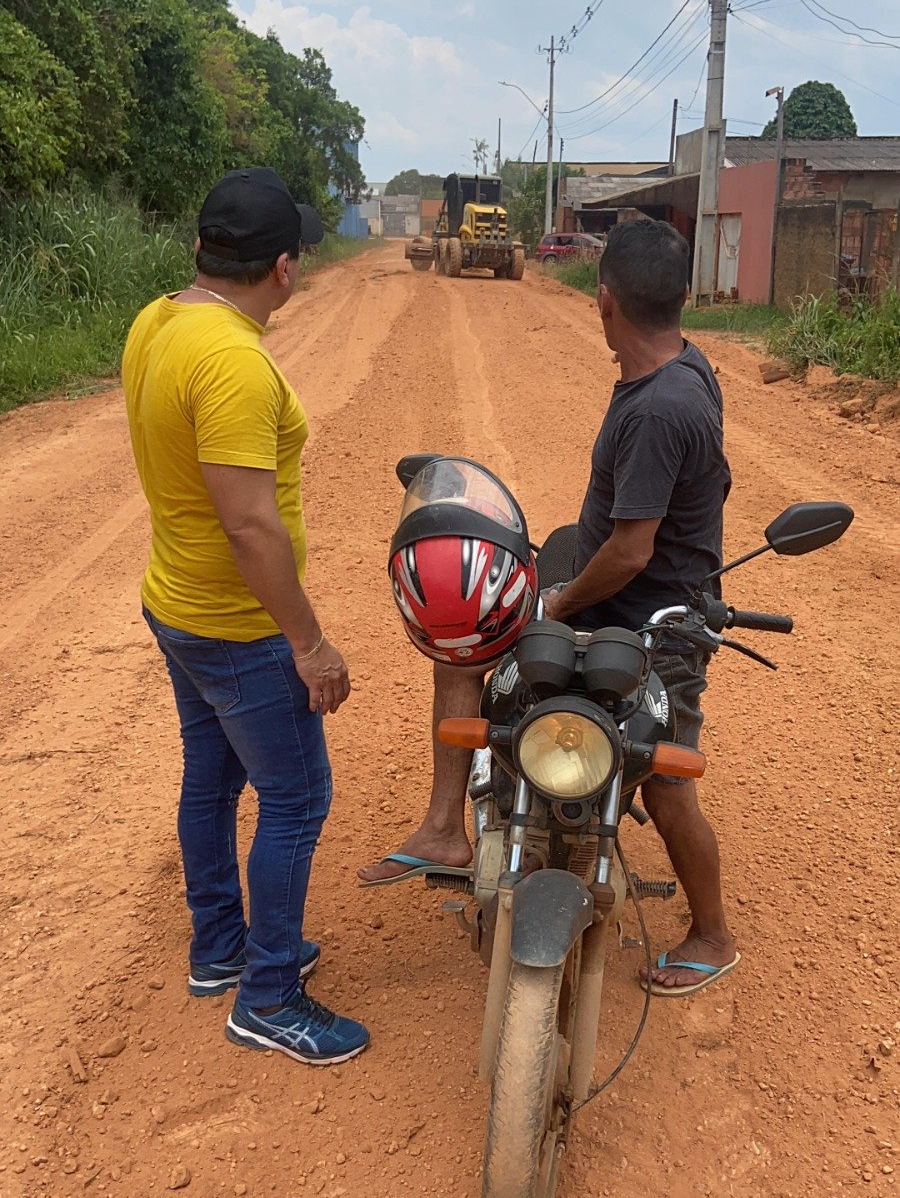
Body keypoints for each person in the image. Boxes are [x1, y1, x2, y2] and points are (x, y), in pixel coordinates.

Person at [360, 217, 738, 996]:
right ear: (681, 298)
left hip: (653, 620)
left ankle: (713, 933)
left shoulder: (661, 407)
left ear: (604, 302)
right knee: (463, 638)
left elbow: (632, 552)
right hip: (615, 589)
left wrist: (558, 601)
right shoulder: (677, 369)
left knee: (663, 786)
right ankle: (447, 830)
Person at [125, 166, 369, 1063]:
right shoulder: (231, 361)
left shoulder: (159, 321)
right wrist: (308, 641)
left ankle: (219, 947)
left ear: (198, 250)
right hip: (235, 625)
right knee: (299, 797)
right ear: (284, 268)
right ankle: (267, 997)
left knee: (212, 780)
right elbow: (249, 523)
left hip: (176, 604)